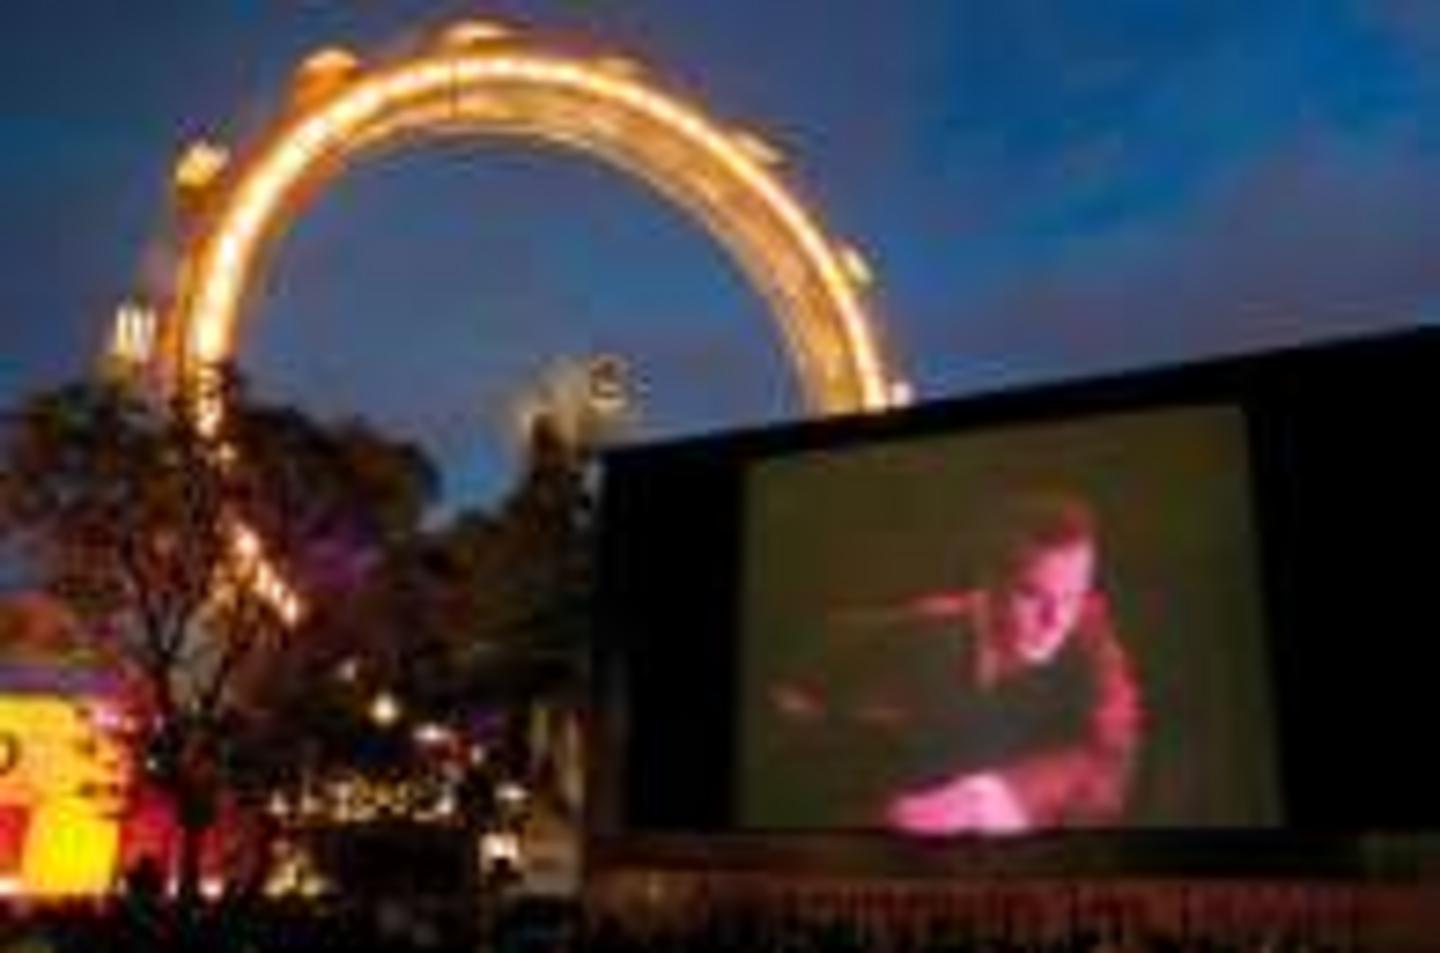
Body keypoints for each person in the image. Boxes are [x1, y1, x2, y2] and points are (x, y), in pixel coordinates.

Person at [760, 491, 1142, 835]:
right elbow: (796, 695)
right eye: (1031, 595)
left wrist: (995, 796)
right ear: (989, 584)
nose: (1056, 619)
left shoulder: (1090, 630)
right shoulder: (912, 633)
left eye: (1074, 595)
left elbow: (1111, 755)